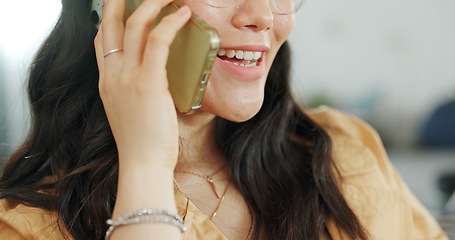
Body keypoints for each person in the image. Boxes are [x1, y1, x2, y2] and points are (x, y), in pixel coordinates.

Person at [0, 0, 448, 239]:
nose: (262, 15)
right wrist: (145, 167)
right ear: (124, 7)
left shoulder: (346, 148)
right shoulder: (29, 225)